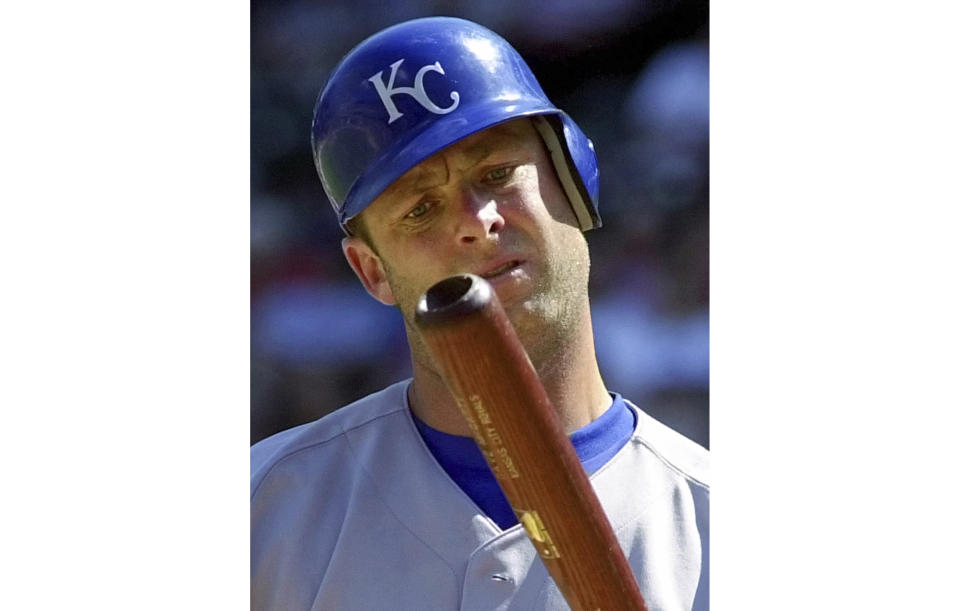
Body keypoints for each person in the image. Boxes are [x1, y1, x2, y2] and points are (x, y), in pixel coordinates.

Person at [251, 16, 708, 610]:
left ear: (574, 180)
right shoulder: (259, 511)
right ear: (371, 271)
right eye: (420, 209)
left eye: (496, 174)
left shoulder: (713, 527)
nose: (475, 220)